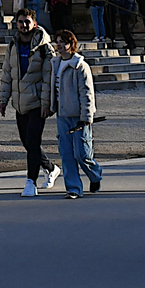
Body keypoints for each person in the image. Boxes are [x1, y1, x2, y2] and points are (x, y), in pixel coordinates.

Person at [0, 9, 56, 197]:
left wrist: (47, 103)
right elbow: (7, 74)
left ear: (34, 24)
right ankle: (51, 167)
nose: (24, 25)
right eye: (21, 21)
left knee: (32, 141)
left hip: (37, 102)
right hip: (20, 102)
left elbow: (48, 78)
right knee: (28, 143)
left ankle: (31, 182)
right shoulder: (13, 46)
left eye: (27, 22)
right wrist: (3, 99)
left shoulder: (44, 47)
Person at [50, 32, 103, 196]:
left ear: (71, 44)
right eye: (58, 42)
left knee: (82, 154)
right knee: (66, 154)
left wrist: (86, 117)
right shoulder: (55, 63)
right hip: (62, 115)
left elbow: (87, 93)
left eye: (63, 42)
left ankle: (95, 175)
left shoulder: (80, 65)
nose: (59, 45)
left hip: (78, 116)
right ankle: (73, 188)